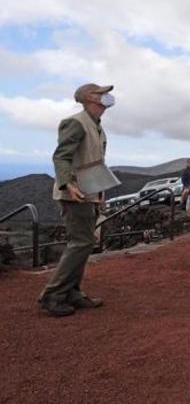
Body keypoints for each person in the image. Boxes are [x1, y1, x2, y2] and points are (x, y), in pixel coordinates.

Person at [39, 83, 116, 317]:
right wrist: (67, 184)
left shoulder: (97, 126)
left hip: (89, 193)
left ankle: (72, 292)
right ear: (90, 98)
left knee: (84, 244)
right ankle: (53, 294)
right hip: (75, 194)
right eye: (101, 93)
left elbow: (95, 162)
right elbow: (61, 156)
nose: (107, 97)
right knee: (80, 243)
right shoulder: (76, 122)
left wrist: (100, 194)